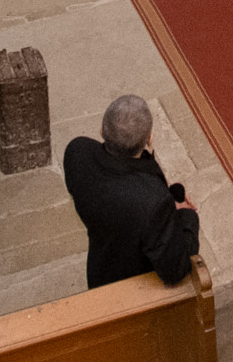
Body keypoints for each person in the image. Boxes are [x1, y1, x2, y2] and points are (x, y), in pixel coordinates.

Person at [60, 94, 199, 290]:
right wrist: (186, 216)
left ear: (102, 130)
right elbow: (175, 270)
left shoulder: (77, 151)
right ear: (149, 139)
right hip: (136, 286)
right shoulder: (153, 203)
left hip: (100, 270)